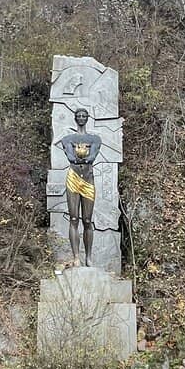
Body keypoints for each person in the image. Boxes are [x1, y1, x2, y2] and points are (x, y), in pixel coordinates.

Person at [57, 108, 101, 266]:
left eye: (84, 116)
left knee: (87, 220)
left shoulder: (95, 139)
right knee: (74, 218)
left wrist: (80, 157)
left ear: (87, 118)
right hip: (73, 178)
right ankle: (76, 257)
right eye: (79, 116)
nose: (81, 118)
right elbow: (70, 157)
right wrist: (82, 157)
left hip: (88, 179)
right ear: (75, 118)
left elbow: (91, 157)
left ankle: (88, 257)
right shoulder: (67, 139)